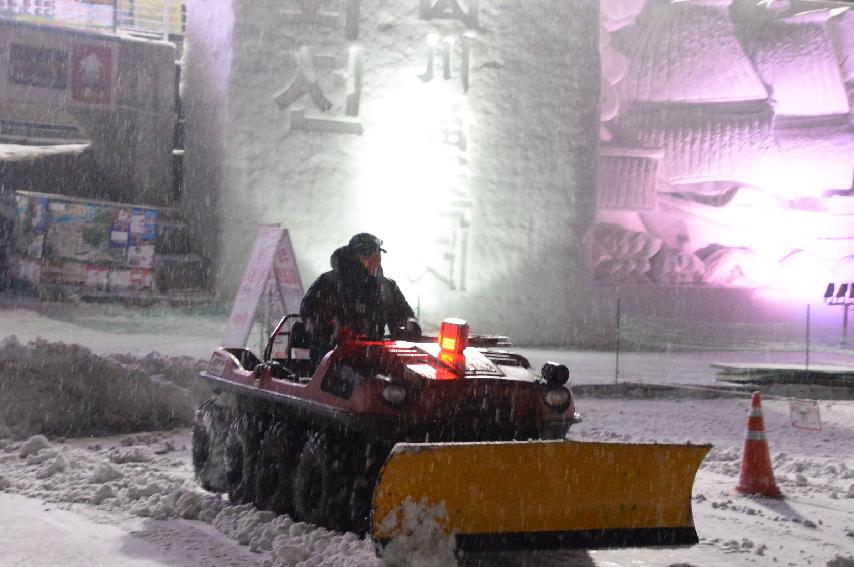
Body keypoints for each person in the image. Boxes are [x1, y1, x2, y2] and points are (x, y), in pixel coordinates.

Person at [300, 233, 421, 367]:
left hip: (374, 357)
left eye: (378, 256)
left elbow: (403, 314)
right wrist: (333, 330)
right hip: (333, 358)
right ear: (358, 257)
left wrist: (409, 325)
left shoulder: (387, 288)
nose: (376, 261)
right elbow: (309, 311)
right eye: (372, 257)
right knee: (360, 382)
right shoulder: (329, 283)